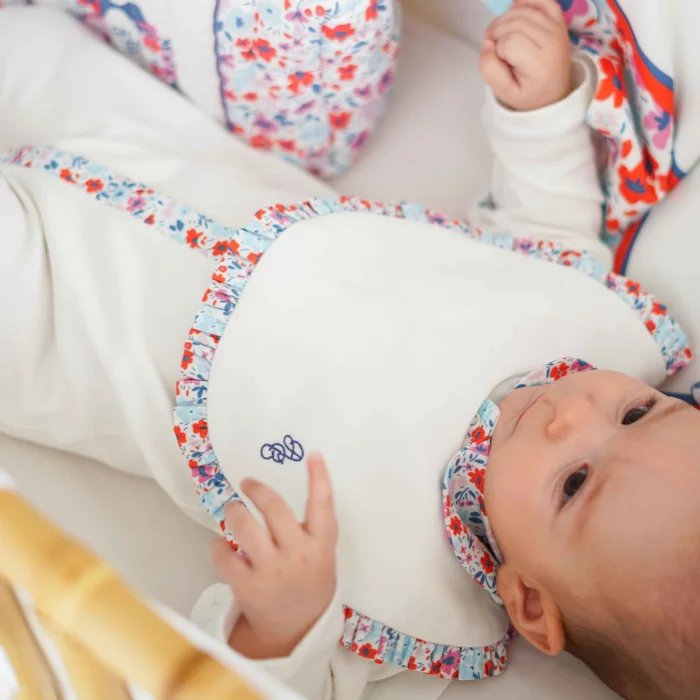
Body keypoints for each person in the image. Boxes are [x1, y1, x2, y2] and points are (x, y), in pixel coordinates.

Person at [0, 2, 696, 700]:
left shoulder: (402, 600)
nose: (573, 413)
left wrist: (284, 626)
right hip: (166, 150)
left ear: (531, 603)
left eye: (574, 482)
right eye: (636, 413)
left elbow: (260, 687)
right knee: (30, 46)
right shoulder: (575, 329)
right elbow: (548, 223)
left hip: (69, 326)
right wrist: (538, 111)